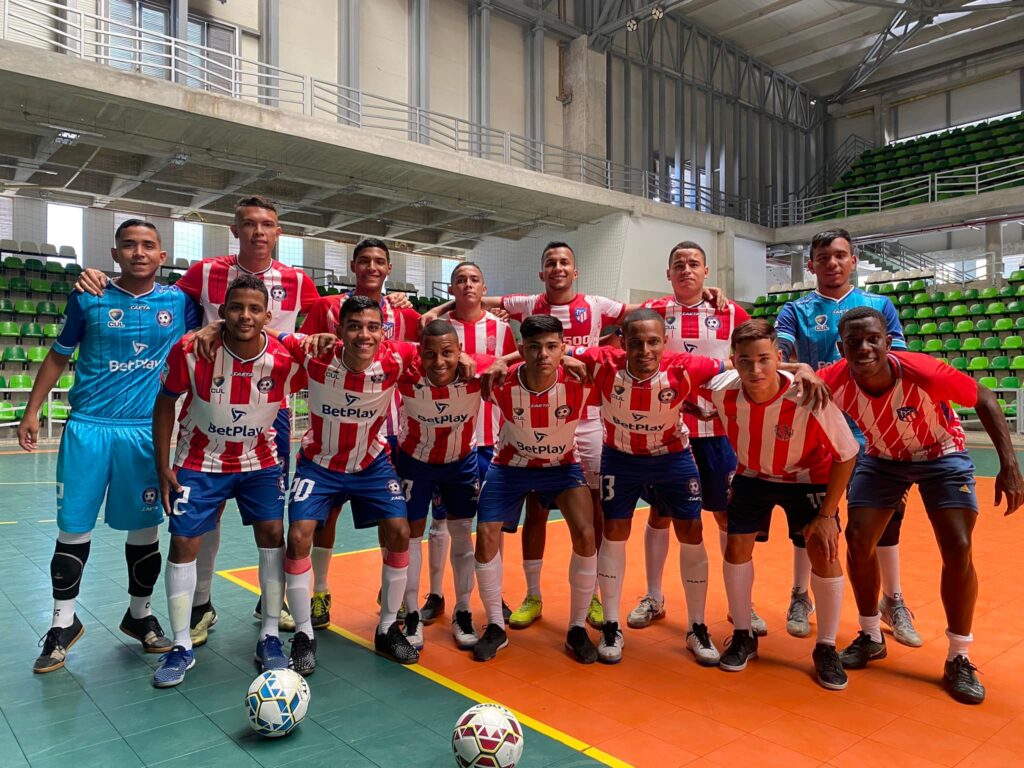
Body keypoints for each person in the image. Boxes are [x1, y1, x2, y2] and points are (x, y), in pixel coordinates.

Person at [75, 195, 321, 643]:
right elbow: (152, 293)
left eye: (267, 223)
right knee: (208, 514)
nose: (258, 231)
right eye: (249, 223)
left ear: (278, 232)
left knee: (271, 520)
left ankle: (272, 603)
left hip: (272, 409)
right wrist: (99, 278)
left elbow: (329, 320)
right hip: (210, 401)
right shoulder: (204, 272)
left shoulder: (298, 280)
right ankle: (201, 604)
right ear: (234, 229)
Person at [424, 242, 641, 630]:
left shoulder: (596, 308)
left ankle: (592, 596)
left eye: (565, 262)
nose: (558, 268)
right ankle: (532, 594)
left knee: (592, 513)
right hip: (532, 419)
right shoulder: (527, 304)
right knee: (534, 512)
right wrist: (440, 310)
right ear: (542, 272)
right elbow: (475, 298)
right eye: (551, 263)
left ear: (576, 271)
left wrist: (694, 302)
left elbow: (640, 315)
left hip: (584, 418)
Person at [19, 219, 202, 673]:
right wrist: (32, 409)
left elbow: (232, 318)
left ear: (162, 256)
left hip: (145, 431)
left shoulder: (180, 302)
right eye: (129, 245)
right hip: (89, 428)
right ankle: (62, 624)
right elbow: (58, 355)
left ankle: (139, 616)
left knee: (144, 531)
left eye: (148, 245)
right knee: (73, 529)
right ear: (115, 253)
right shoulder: (89, 296)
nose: (139, 252)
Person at [822, 307, 1024, 704]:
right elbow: (789, 381)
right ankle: (870, 635)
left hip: (941, 454)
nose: (864, 348)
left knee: (958, 546)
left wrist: (1010, 464)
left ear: (888, 341)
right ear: (841, 348)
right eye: (854, 342)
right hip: (883, 458)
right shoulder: (833, 379)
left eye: (873, 339)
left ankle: (959, 656)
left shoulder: (924, 371)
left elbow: (984, 397)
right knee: (858, 540)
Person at [279, 295, 473, 671]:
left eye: (372, 327)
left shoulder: (397, 357)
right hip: (319, 465)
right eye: (354, 327)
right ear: (339, 330)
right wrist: (216, 327)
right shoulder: (315, 352)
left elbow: (439, 349)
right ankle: (304, 635)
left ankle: (387, 628)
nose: (364, 335)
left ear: (384, 332)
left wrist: (465, 357)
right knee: (299, 535)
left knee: (399, 530)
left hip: (371, 463)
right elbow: (269, 335)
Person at [151, 275, 307, 686]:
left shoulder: (285, 357)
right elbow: (165, 402)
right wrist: (162, 464)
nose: (245, 315)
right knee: (183, 542)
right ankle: (180, 645)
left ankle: (269, 635)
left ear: (268, 316)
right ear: (221, 312)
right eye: (236, 307)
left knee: (272, 535)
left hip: (260, 461)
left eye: (255, 309)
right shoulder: (191, 350)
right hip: (200, 460)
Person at [775, 228, 920, 646]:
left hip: (873, 428)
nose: (832, 263)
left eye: (840, 255)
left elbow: (899, 360)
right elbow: (780, 355)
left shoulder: (879, 306)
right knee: (811, 516)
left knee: (885, 518)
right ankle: (800, 595)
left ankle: (893, 600)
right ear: (811, 265)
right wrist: (796, 367)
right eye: (823, 257)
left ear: (853, 261)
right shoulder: (796, 310)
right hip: (816, 428)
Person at [702, 319, 860, 691]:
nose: (755, 370)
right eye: (745, 361)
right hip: (753, 475)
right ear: (733, 361)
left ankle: (826, 648)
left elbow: (847, 453)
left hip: (807, 477)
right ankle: (743, 636)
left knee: (824, 550)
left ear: (778, 357)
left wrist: (827, 515)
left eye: (764, 359)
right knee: (735, 547)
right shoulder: (720, 390)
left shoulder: (809, 393)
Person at [569, 309, 725, 663]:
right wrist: (514, 362)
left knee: (692, 531)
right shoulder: (603, 361)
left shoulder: (685, 366)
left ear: (664, 342)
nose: (645, 351)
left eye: (653, 342)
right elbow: (551, 349)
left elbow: (737, 367)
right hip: (620, 457)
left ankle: (697, 627)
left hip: (672, 457)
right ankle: (611, 625)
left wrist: (796, 369)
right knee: (614, 532)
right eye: (636, 343)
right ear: (622, 343)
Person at [627, 241, 764, 637]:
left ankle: (741, 604)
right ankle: (654, 596)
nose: (686, 270)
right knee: (660, 514)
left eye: (694, 264)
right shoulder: (653, 312)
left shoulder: (730, 312)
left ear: (706, 272)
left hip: (719, 433)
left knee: (726, 516)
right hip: (669, 431)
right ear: (668, 273)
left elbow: (756, 353)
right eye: (679, 264)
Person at [296, 238, 422, 631]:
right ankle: (319, 592)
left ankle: (392, 596)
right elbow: (305, 347)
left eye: (379, 261)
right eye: (364, 260)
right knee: (325, 516)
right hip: (331, 431)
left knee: (393, 517)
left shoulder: (403, 312)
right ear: (353, 266)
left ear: (389, 269)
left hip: (387, 427)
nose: (371, 267)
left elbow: (429, 347)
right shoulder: (327, 307)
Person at [471, 315, 599, 663]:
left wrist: (572, 356)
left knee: (586, 533)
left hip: (562, 467)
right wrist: (498, 361)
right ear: (522, 349)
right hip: (510, 467)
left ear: (563, 348)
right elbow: (458, 358)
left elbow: (618, 357)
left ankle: (576, 628)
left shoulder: (582, 379)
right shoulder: (500, 380)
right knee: (486, 534)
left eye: (552, 347)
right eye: (534, 347)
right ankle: (495, 627)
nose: (543, 355)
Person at [428, 261, 518, 624]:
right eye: (460, 280)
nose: (468, 285)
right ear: (451, 290)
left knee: (492, 525)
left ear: (484, 288)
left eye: (474, 279)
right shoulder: (438, 327)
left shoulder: (501, 328)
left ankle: (494, 597)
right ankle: (435, 594)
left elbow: (509, 374)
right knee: (441, 523)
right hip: (447, 440)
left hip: (490, 441)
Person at [395, 319, 493, 650]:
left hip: (460, 463)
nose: (439, 362)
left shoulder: (477, 370)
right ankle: (411, 613)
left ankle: (462, 610)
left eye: (448, 353)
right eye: (430, 354)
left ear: (460, 351)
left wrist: (491, 364)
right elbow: (375, 347)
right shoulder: (406, 370)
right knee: (411, 535)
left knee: (462, 535)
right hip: (415, 462)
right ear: (419, 353)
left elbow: (520, 360)